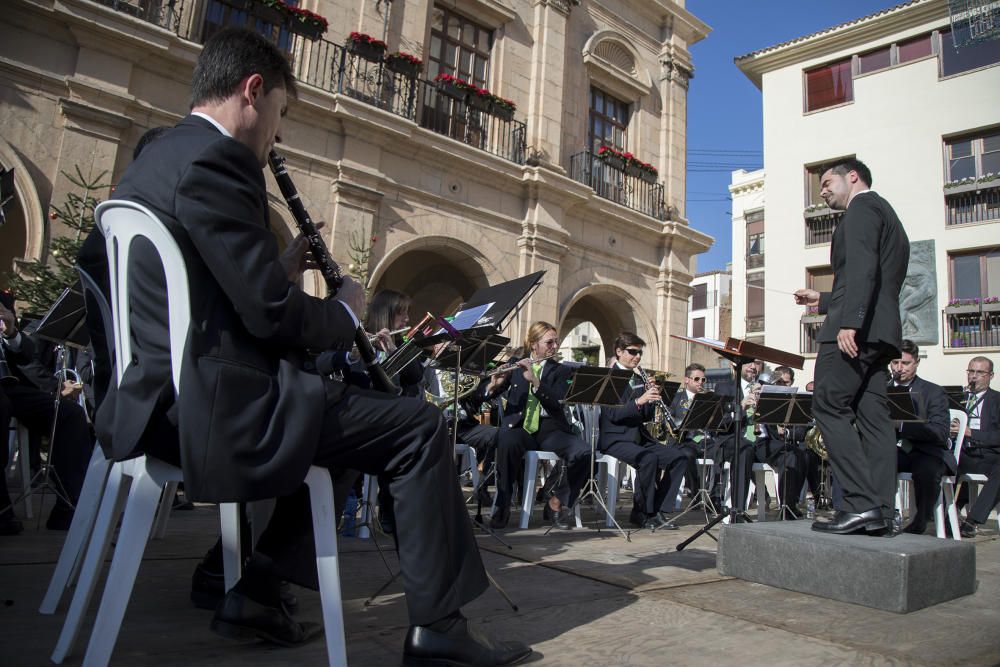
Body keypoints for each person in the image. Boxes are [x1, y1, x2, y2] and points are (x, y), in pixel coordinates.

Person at [76, 28, 529, 666]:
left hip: (161, 399)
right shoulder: (219, 161)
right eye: (281, 116)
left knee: (347, 413)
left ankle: (259, 591)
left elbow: (226, 292)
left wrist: (280, 265)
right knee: (418, 426)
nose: (278, 137)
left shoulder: (160, 159)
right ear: (252, 92)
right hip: (211, 411)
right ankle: (439, 630)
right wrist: (344, 312)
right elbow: (270, 320)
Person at [794, 158, 909, 536]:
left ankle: (859, 505)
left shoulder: (861, 209)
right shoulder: (885, 213)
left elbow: (863, 269)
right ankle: (880, 509)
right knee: (874, 418)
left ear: (853, 177)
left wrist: (848, 322)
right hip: (879, 333)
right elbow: (873, 277)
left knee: (828, 404)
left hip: (855, 331)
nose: (822, 190)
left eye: (827, 182)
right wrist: (823, 300)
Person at [0, 291, 93, 535]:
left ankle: (67, 506)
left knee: (70, 415)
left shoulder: (2, 302)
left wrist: (11, 332)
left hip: (10, 385)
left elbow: (25, 356)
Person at [488, 321, 589, 530]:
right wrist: (492, 385)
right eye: (549, 342)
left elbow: (557, 401)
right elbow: (493, 393)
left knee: (584, 452)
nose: (555, 346)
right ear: (533, 344)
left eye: (556, 342)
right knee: (506, 441)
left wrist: (536, 381)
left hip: (550, 429)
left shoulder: (561, 370)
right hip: (521, 428)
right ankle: (503, 503)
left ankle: (556, 502)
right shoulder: (516, 364)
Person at [597, 332, 691, 529]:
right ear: (619, 351)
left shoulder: (639, 377)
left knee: (679, 458)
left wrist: (656, 399)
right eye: (633, 352)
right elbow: (613, 415)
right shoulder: (608, 377)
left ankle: (659, 510)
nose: (637, 357)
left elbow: (645, 415)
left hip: (639, 437)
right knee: (648, 458)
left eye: (640, 353)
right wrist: (640, 400)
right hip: (615, 439)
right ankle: (642, 513)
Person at [888, 340, 953, 535]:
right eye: (895, 362)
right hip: (892, 450)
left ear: (916, 363)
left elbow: (940, 432)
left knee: (927, 470)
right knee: (867, 462)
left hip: (925, 451)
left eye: (905, 363)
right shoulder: (879, 389)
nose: (899, 368)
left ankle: (921, 519)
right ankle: (878, 514)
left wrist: (902, 425)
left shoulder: (933, 391)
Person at [956, 356, 999, 537]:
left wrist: (971, 433)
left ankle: (972, 520)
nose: (974, 376)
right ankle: (941, 513)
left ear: (991, 376)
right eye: (971, 371)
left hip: (988, 455)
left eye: (980, 372)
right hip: (962, 452)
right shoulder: (958, 398)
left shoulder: (997, 400)